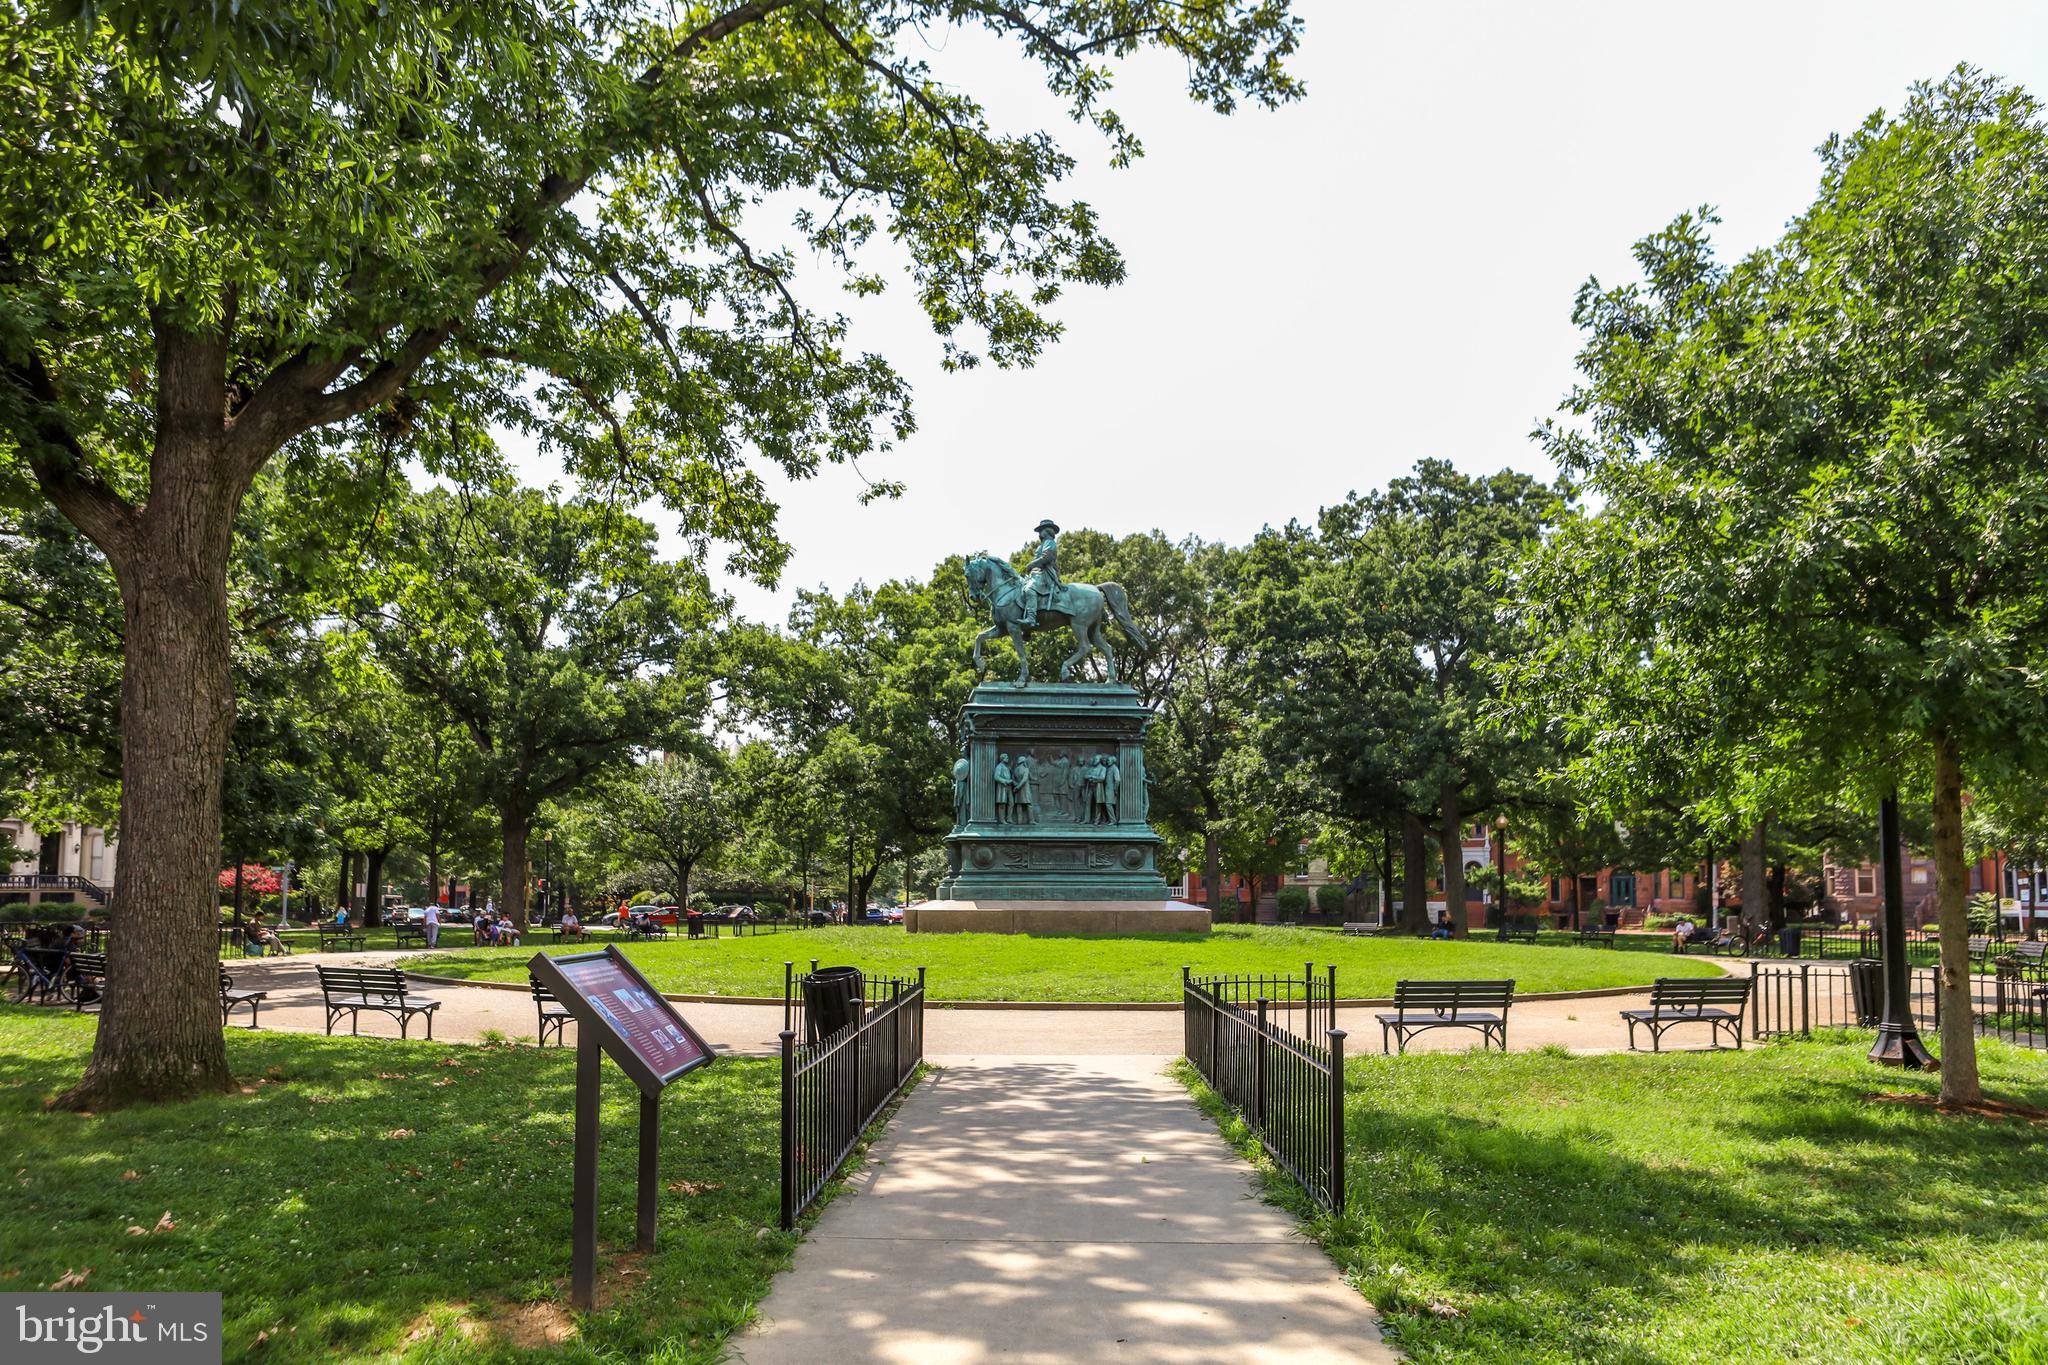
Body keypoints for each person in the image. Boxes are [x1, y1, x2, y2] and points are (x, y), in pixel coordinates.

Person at [1018, 518, 1061, 628]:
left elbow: (1047, 557)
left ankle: (1031, 618)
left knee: (1029, 589)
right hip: (1036, 573)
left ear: (1046, 531)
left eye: (1041, 530)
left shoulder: (1050, 542)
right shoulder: (1042, 544)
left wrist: (1031, 565)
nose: (1039, 533)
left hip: (1045, 573)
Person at [1012, 754, 1036, 826]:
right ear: (1023, 762)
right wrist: (1018, 787)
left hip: (1018, 791)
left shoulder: (1015, 769)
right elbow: (1024, 779)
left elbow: (1013, 779)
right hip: (1025, 789)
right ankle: (1031, 820)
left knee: (1019, 805)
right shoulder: (1026, 769)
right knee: (1029, 804)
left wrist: (1016, 785)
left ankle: (1019, 821)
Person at [993, 753, 1014, 824]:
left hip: (1008, 787)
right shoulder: (999, 766)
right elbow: (996, 777)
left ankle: (1009, 818)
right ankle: (1002, 819)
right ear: (1002, 758)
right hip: (1002, 787)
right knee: (1002, 803)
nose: (1008, 758)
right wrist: (1005, 781)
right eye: (1006, 757)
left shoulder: (1006, 767)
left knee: (1011, 802)